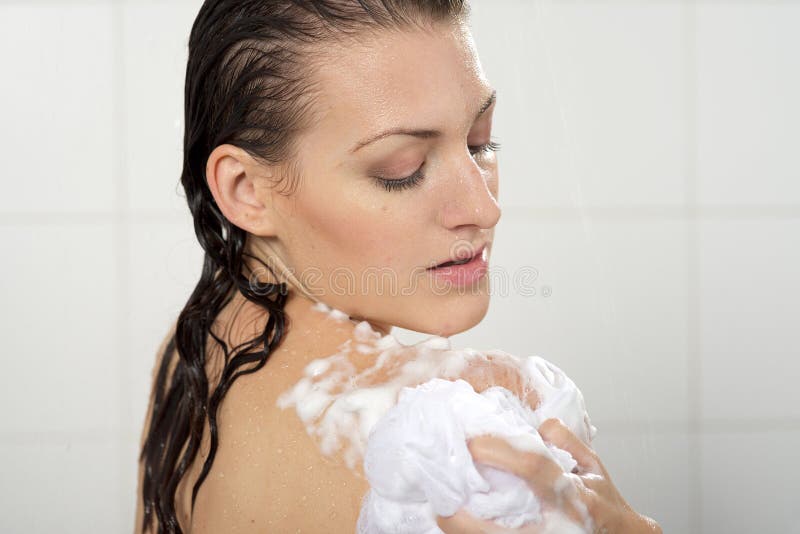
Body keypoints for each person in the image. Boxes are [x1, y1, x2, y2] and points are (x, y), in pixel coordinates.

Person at [134, 1, 662, 533]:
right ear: (245, 190)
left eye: (481, 142)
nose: (484, 208)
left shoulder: (199, 351)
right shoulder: (463, 439)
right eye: (401, 170)